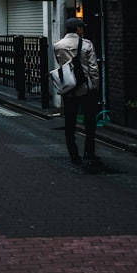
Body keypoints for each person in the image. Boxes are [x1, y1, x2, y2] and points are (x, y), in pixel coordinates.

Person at [53, 18, 100, 165]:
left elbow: (61, 65)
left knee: (70, 122)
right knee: (89, 122)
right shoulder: (87, 44)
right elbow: (93, 68)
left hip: (68, 88)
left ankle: (73, 154)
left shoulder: (58, 45)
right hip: (85, 88)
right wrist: (95, 85)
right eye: (82, 27)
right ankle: (89, 152)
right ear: (78, 29)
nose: (83, 30)